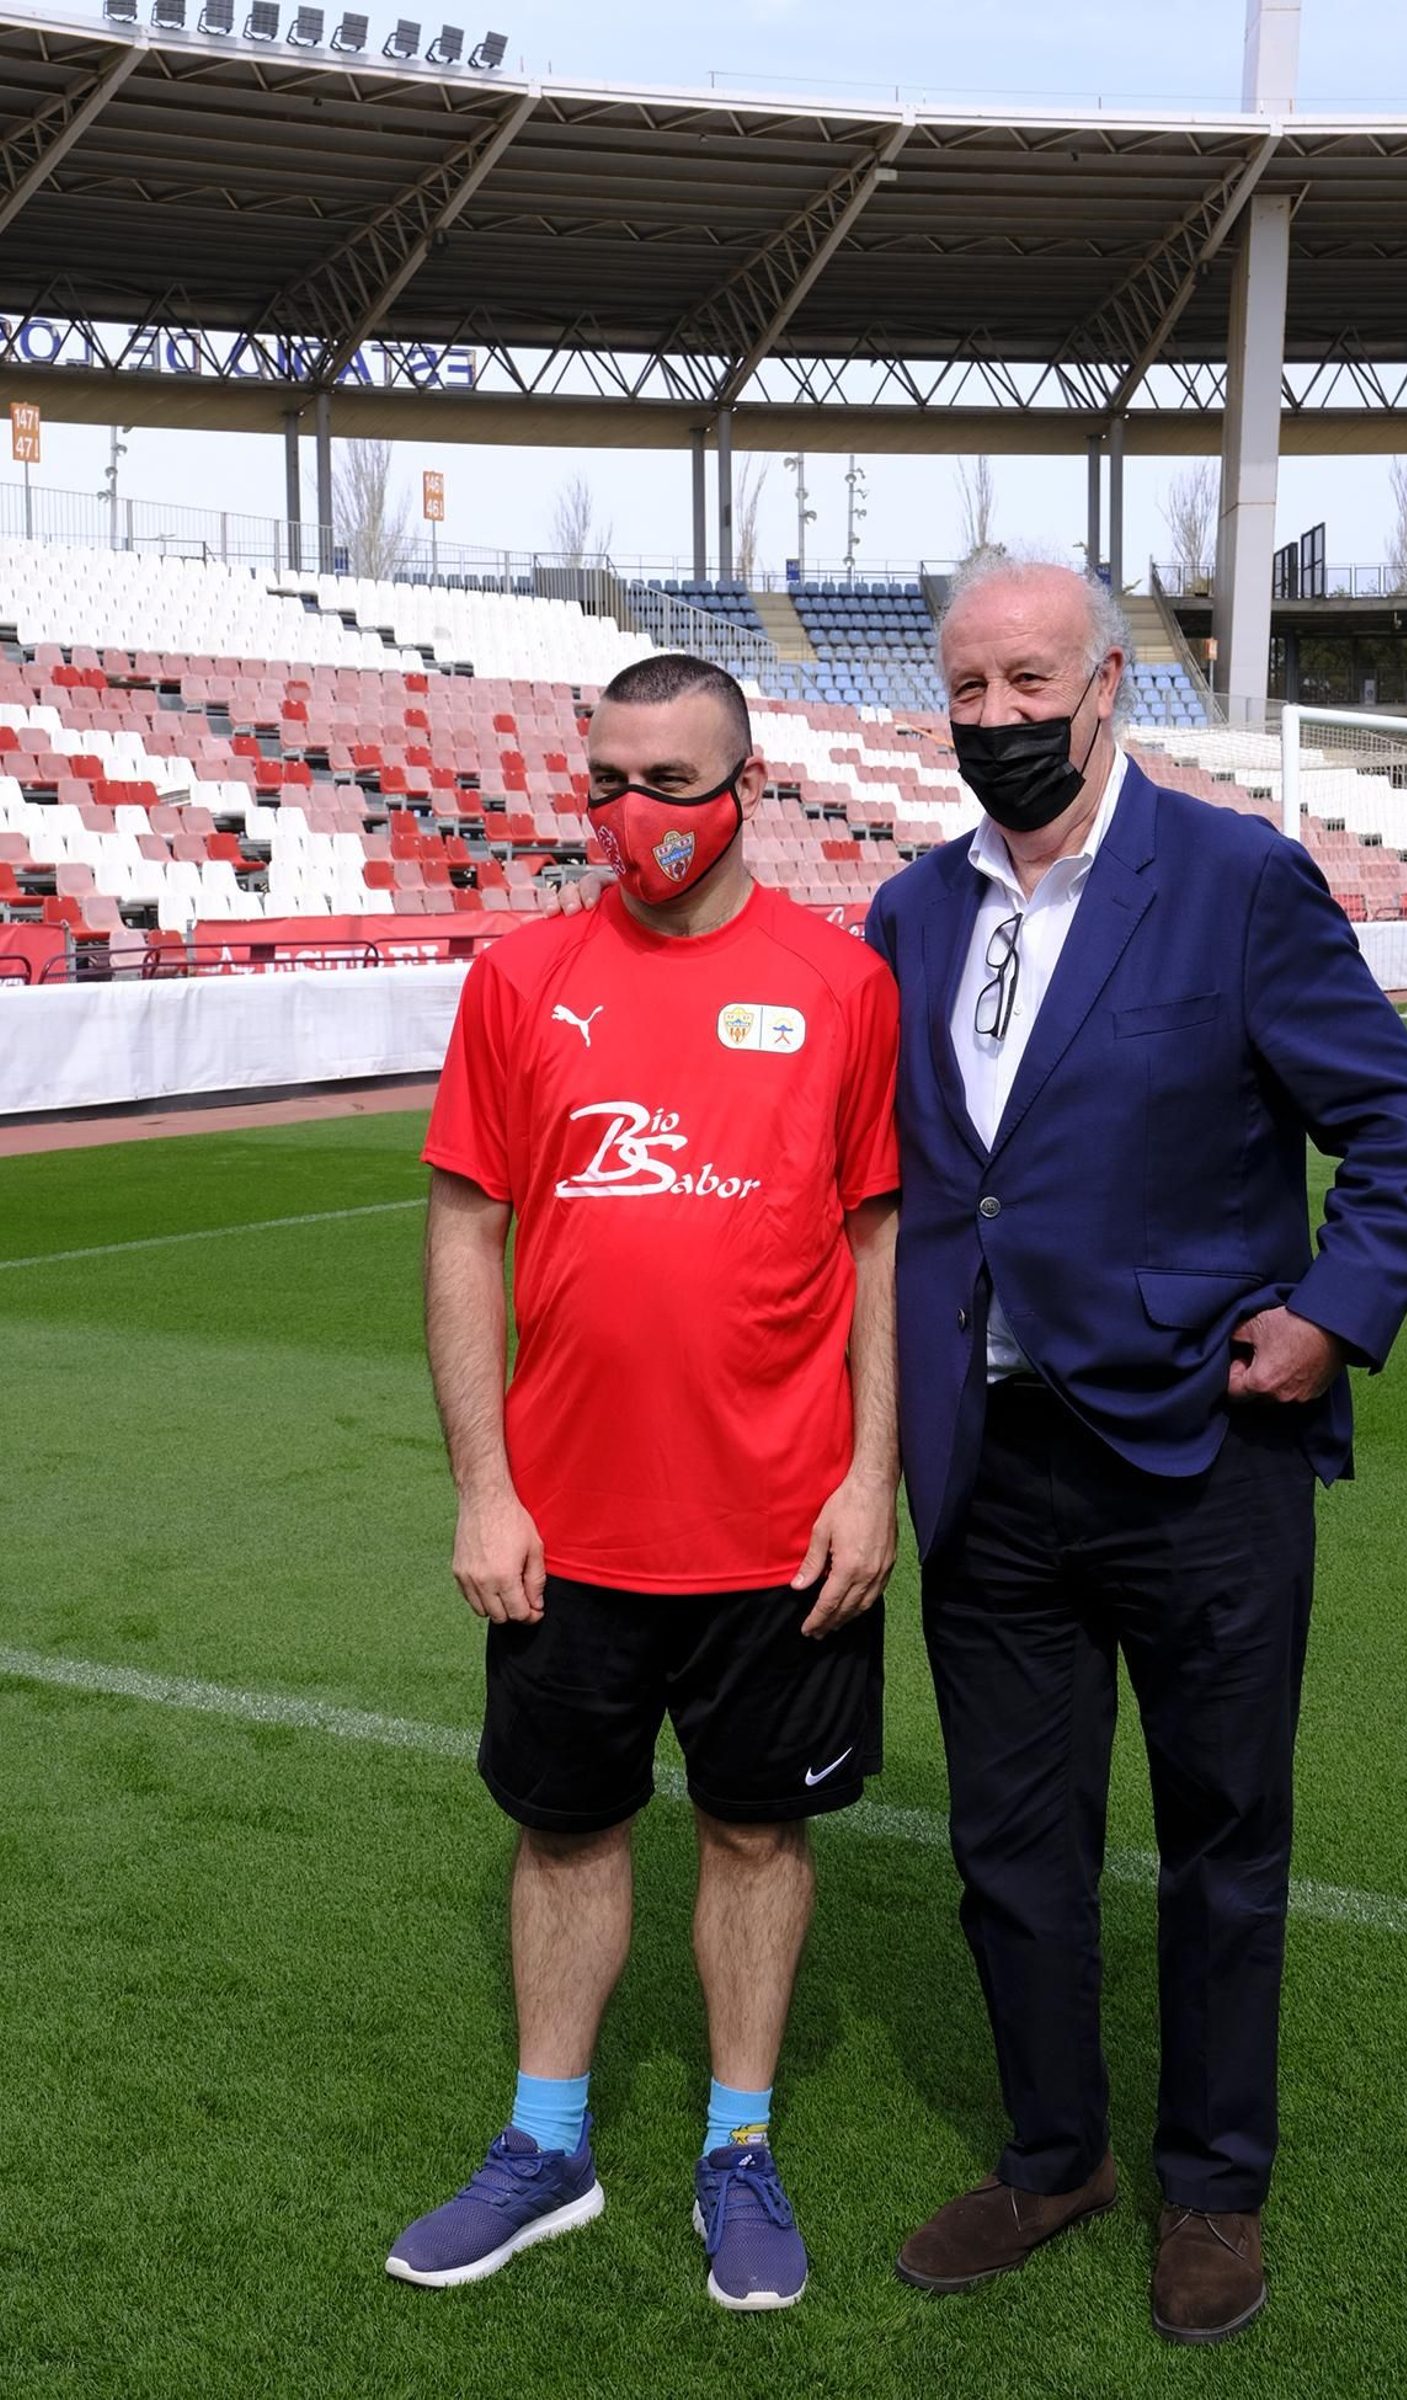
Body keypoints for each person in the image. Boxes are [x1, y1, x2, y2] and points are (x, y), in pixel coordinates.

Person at [867, 558, 1407, 2343]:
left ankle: (1213, 2186)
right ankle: (1056, 2158)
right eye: (966, 691)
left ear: (1108, 684)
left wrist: (1331, 1314)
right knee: (1009, 1846)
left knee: (1223, 1843)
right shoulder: (908, 911)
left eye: (1027, 684)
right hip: (992, 1465)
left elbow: (1397, 1122)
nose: (995, 722)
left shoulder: (1237, 880)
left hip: (1204, 1458)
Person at [388, 653, 900, 2312]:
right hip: (567, 1528)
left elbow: (880, 1243)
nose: (638, 815)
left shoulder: (842, 982)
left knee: (756, 1834)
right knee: (565, 1833)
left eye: (674, 783)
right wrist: (484, 1485)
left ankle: (736, 2147)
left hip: (780, 1526)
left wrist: (870, 1474)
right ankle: (549, 2144)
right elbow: (467, 1232)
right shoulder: (521, 977)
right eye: (611, 780)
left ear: (746, 785)